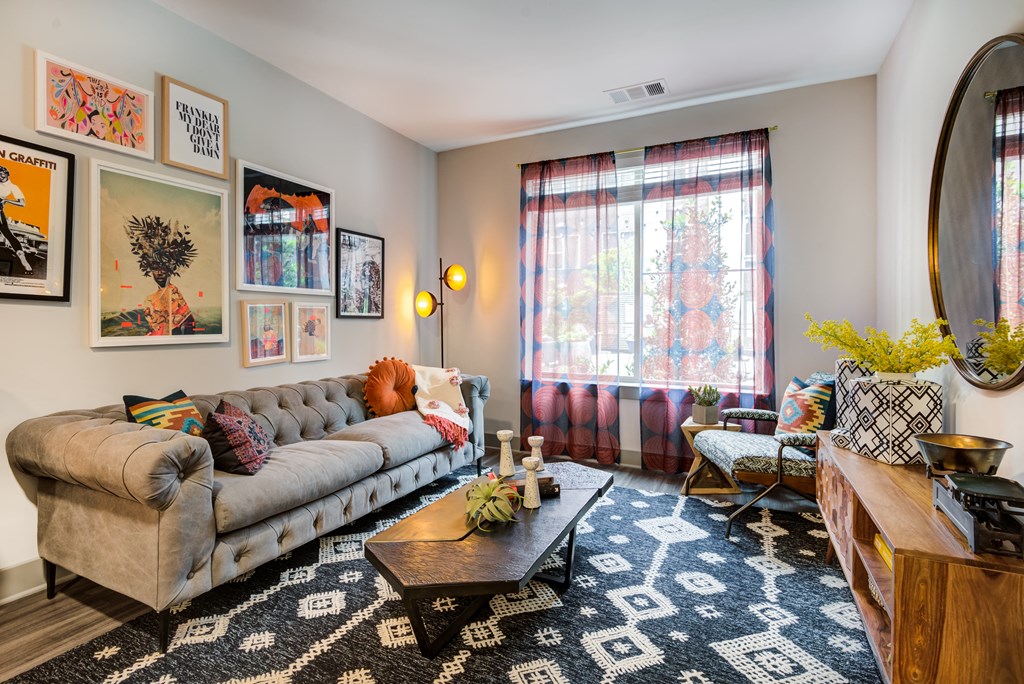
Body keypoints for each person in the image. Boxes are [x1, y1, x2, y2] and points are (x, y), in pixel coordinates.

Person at [142, 269, 196, 335]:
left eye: (163, 269)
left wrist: (184, 342)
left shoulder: (174, 293)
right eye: (155, 269)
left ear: (169, 272)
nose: (159, 273)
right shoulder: (149, 298)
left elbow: (190, 322)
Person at [0, 165, 32, 274]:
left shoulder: (13, 187)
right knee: (8, 234)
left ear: (7, 175)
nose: (1, 177)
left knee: (8, 234)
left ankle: (24, 262)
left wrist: (6, 200)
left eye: (3, 176)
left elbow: (22, 203)